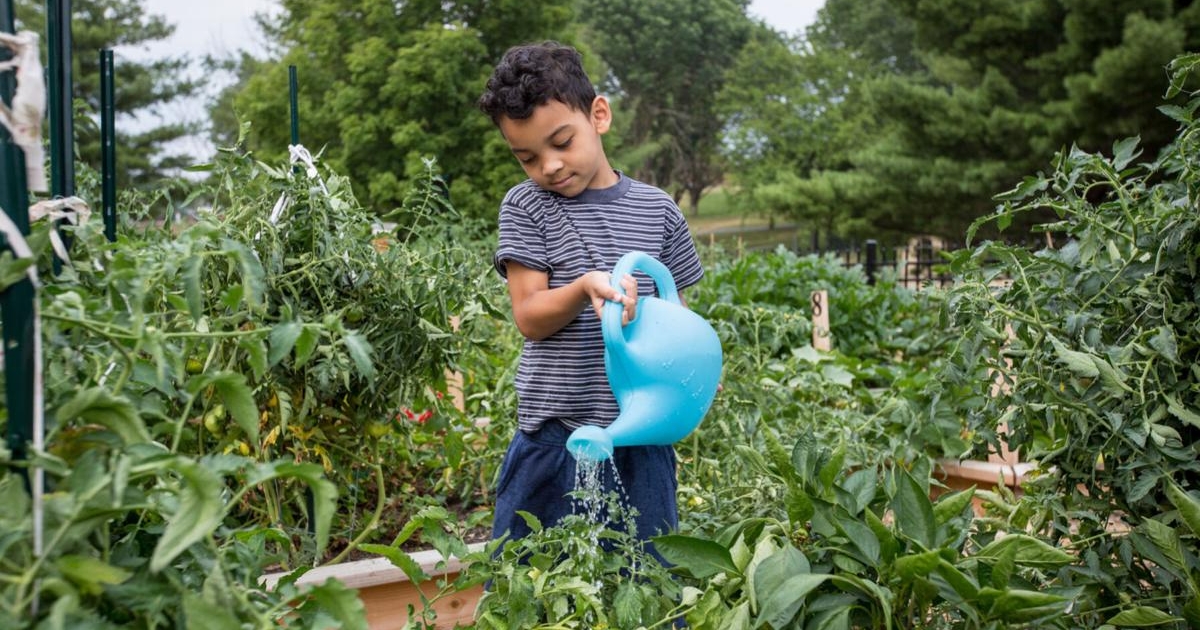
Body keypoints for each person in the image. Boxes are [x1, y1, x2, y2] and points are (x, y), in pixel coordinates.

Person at [478, 41, 705, 556]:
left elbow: (678, 321)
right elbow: (530, 317)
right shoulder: (526, 207)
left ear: (598, 115)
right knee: (527, 573)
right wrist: (583, 288)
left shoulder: (659, 211)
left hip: (639, 438)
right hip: (555, 436)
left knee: (648, 580)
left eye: (562, 142)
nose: (549, 167)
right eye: (527, 157)